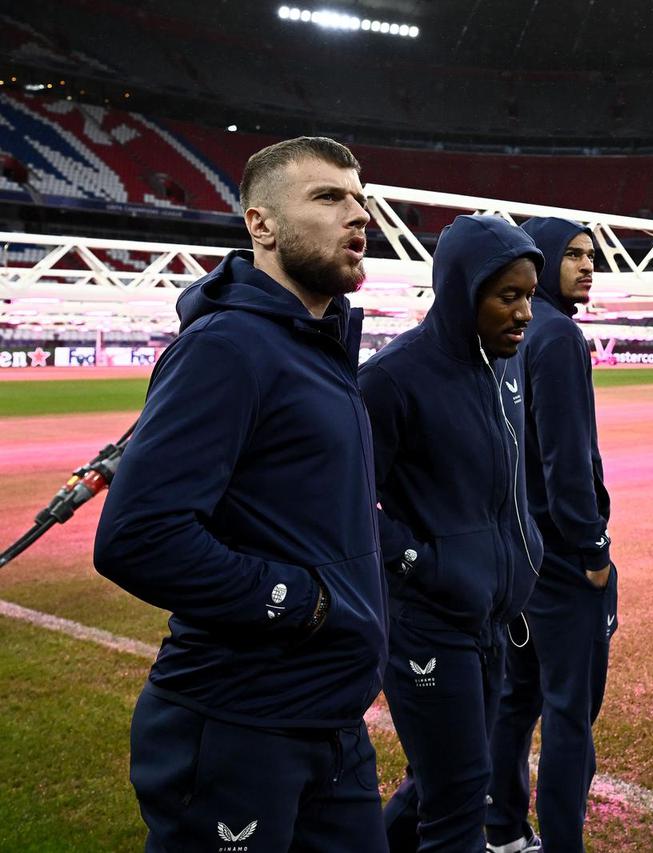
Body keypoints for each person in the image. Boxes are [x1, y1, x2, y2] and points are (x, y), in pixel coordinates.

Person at [93, 136, 388, 852]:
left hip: (330, 722)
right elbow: (139, 536)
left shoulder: (319, 346)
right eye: (328, 198)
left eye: (359, 199)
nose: (358, 216)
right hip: (238, 723)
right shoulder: (227, 348)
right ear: (261, 225)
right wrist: (302, 600)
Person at [359, 214, 545, 853]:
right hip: (428, 622)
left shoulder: (506, 368)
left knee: (440, 784)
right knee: (460, 799)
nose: (524, 312)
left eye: (528, 295)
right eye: (507, 296)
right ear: (463, 291)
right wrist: (422, 563)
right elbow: (349, 506)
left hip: (491, 616)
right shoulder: (391, 378)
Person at [486, 218, 618, 853]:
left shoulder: (508, 329)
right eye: (572, 256)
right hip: (564, 561)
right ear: (540, 264)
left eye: (590, 256)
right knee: (569, 716)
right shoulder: (559, 334)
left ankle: (504, 831)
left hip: (516, 556)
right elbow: (568, 460)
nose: (587, 266)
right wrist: (593, 550)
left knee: (515, 702)